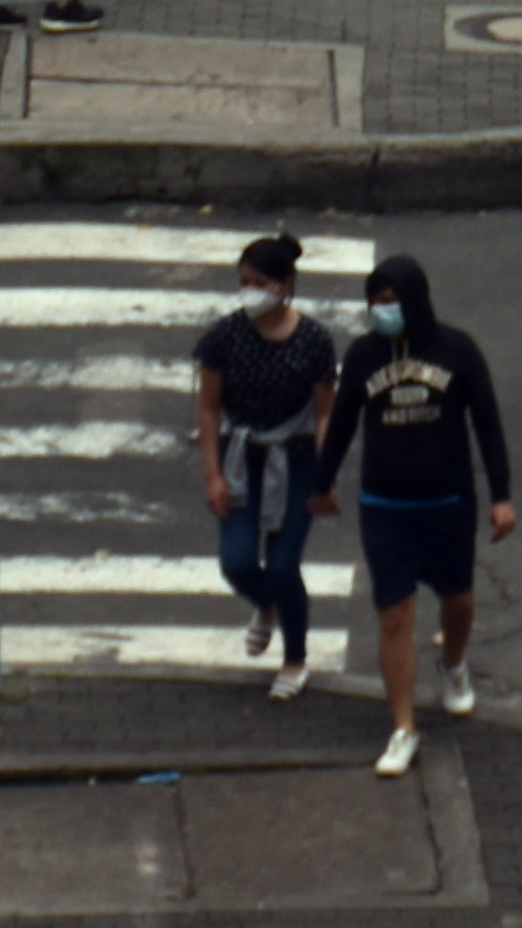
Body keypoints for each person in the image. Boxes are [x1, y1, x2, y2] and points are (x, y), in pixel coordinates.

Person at [315, 251, 515, 777]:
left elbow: (488, 424)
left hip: (447, 503)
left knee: (459, 600)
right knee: (395, 614)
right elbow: (341, 425)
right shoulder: (362, 357)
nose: (384, 311)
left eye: (392, 301)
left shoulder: (457, 351)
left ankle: (452, 663)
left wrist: (501, 496)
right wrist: (322, 481)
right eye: (376, 303)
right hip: (385, 507)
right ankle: (403, 728)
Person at [193, 231, 338, 702]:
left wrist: (325, 474)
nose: (248, 292)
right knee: (236, 560)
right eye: (243, 282)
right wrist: (214, 474)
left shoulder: (314, 340)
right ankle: (267, 606)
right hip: (243, 458)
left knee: (282, 563)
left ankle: (295, 658)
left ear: (281, 286)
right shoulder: (224, 337)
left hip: (294, 461)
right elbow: (210, 409)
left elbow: (323, 413)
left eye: (257, 282)